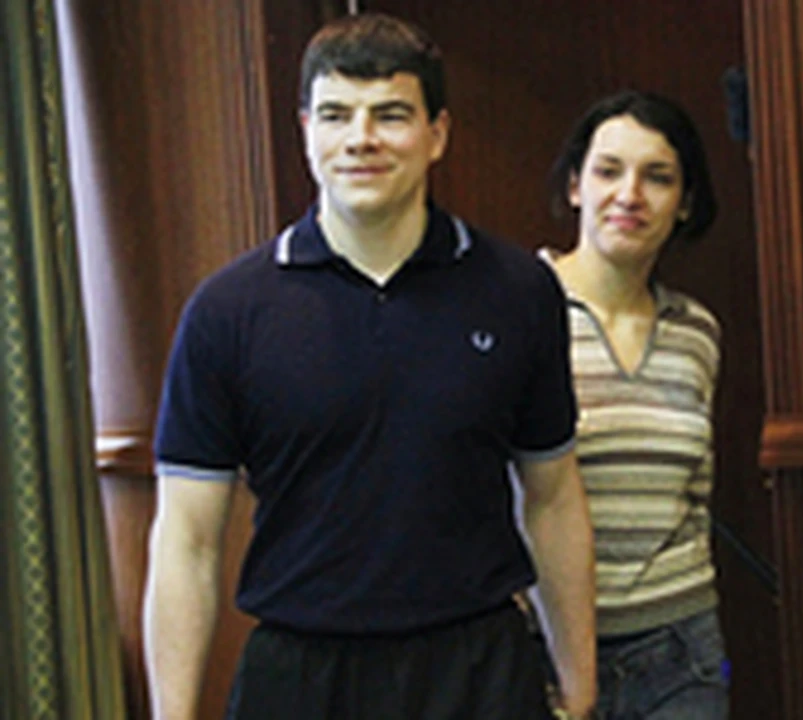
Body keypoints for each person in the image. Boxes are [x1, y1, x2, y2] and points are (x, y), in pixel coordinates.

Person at [142, 12, 596, 720]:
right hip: (298, 677)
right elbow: (186, 540)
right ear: (306, 130)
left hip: (478, 670)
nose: (361, 139)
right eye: (335, 115)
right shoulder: (227, 311)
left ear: (437, 134)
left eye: (390, 115)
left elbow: (553, 498)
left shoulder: (518, 291)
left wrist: (579, 684)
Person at [541, 91, 728, 719]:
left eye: (658, 177)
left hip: (682, 649)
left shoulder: (697, 330)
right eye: (608, 171)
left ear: (685, 203)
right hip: (544, 647)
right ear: (575, 186)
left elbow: (696, 495)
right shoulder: (517, 310)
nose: (630, 195)